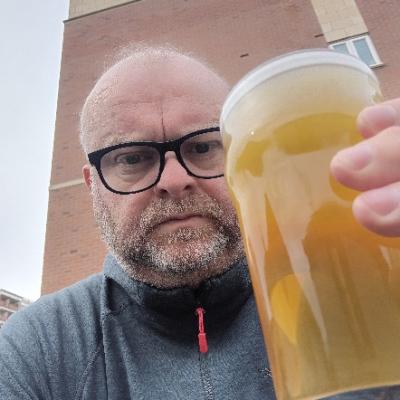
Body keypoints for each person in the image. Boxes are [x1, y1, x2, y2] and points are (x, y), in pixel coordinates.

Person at [1, 46, 400, 400]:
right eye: (132, 158)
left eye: (205, 146)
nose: (175, 180)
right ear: (94, 185)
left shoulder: (361, 284)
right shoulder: (36, 349)